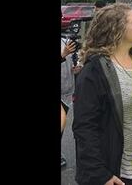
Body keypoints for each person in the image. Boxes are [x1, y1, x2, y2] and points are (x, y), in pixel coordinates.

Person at [73, 3, 132, 185]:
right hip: (114, 172)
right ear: (117, 29)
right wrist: (99, 174)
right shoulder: (94, 71)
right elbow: (85, 127)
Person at [61, 39, 76, 168]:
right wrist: (63, 54)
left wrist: (75, 69)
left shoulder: (64, 41)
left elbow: (68, 66)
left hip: (66, 92)